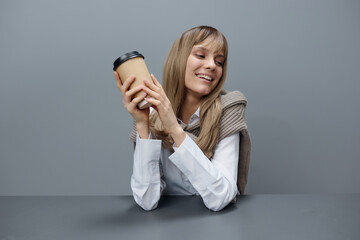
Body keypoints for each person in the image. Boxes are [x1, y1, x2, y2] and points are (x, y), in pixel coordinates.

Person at [114, 26, 251, 211]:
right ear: (179, 59)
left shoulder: (228, 108)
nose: (212, 65)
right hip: (167, 223)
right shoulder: (153, 113)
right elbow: (147, 200)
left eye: (219, 62)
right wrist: (142, 124)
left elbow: (221, 197)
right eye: (201, 56)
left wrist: (175, 129)